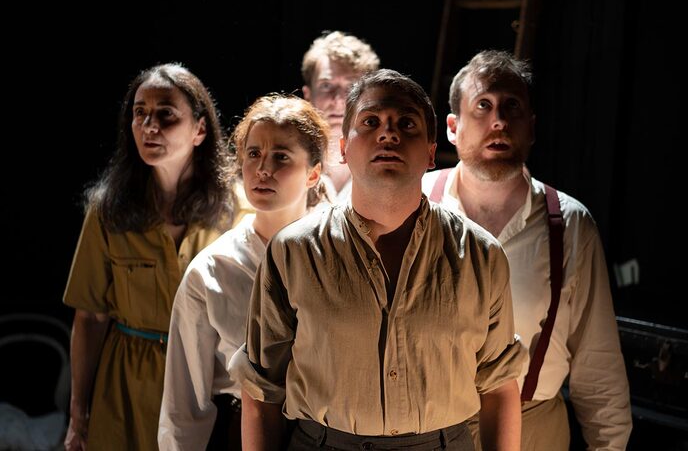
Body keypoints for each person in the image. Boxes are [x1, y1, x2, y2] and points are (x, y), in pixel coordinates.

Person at [232, 69, 524, 450]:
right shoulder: (293, 252)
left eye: (406, 123)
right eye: (371, 122)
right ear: (344, 148)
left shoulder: (480, 255)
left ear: (432, 152)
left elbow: (499, 388)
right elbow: (259, 391)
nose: (389, 134)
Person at [423, 50, 632, 450]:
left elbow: (598, 364)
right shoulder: (414, 205)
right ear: (453, 126)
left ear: (531, 128)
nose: (498, 121)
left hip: (534, 429)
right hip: (428, 428)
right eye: (483, 106)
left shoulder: (569, 224)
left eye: (511, 107)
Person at [63, 63, 236, 451]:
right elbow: (89, 317)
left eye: (165, 115)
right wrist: (78, 415)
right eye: (139, 113)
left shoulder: (234, 209)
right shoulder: (109, 209)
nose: (148, 126)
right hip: (125, 386)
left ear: (200, 129)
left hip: (204, 383)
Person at [158, 94, 328, 450]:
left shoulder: (335, 258)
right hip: (237, 431)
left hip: (323, 432)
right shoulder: (212, 269)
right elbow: (184, 398)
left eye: (281, 156)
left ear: (313, 172)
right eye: (253, 154)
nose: (263, 169)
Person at [301, 30, 380, 202]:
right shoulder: (288, 161)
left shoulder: (385, 163)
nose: (338, 100)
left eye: (351, 86)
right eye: (326, 85)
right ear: (308, 95)